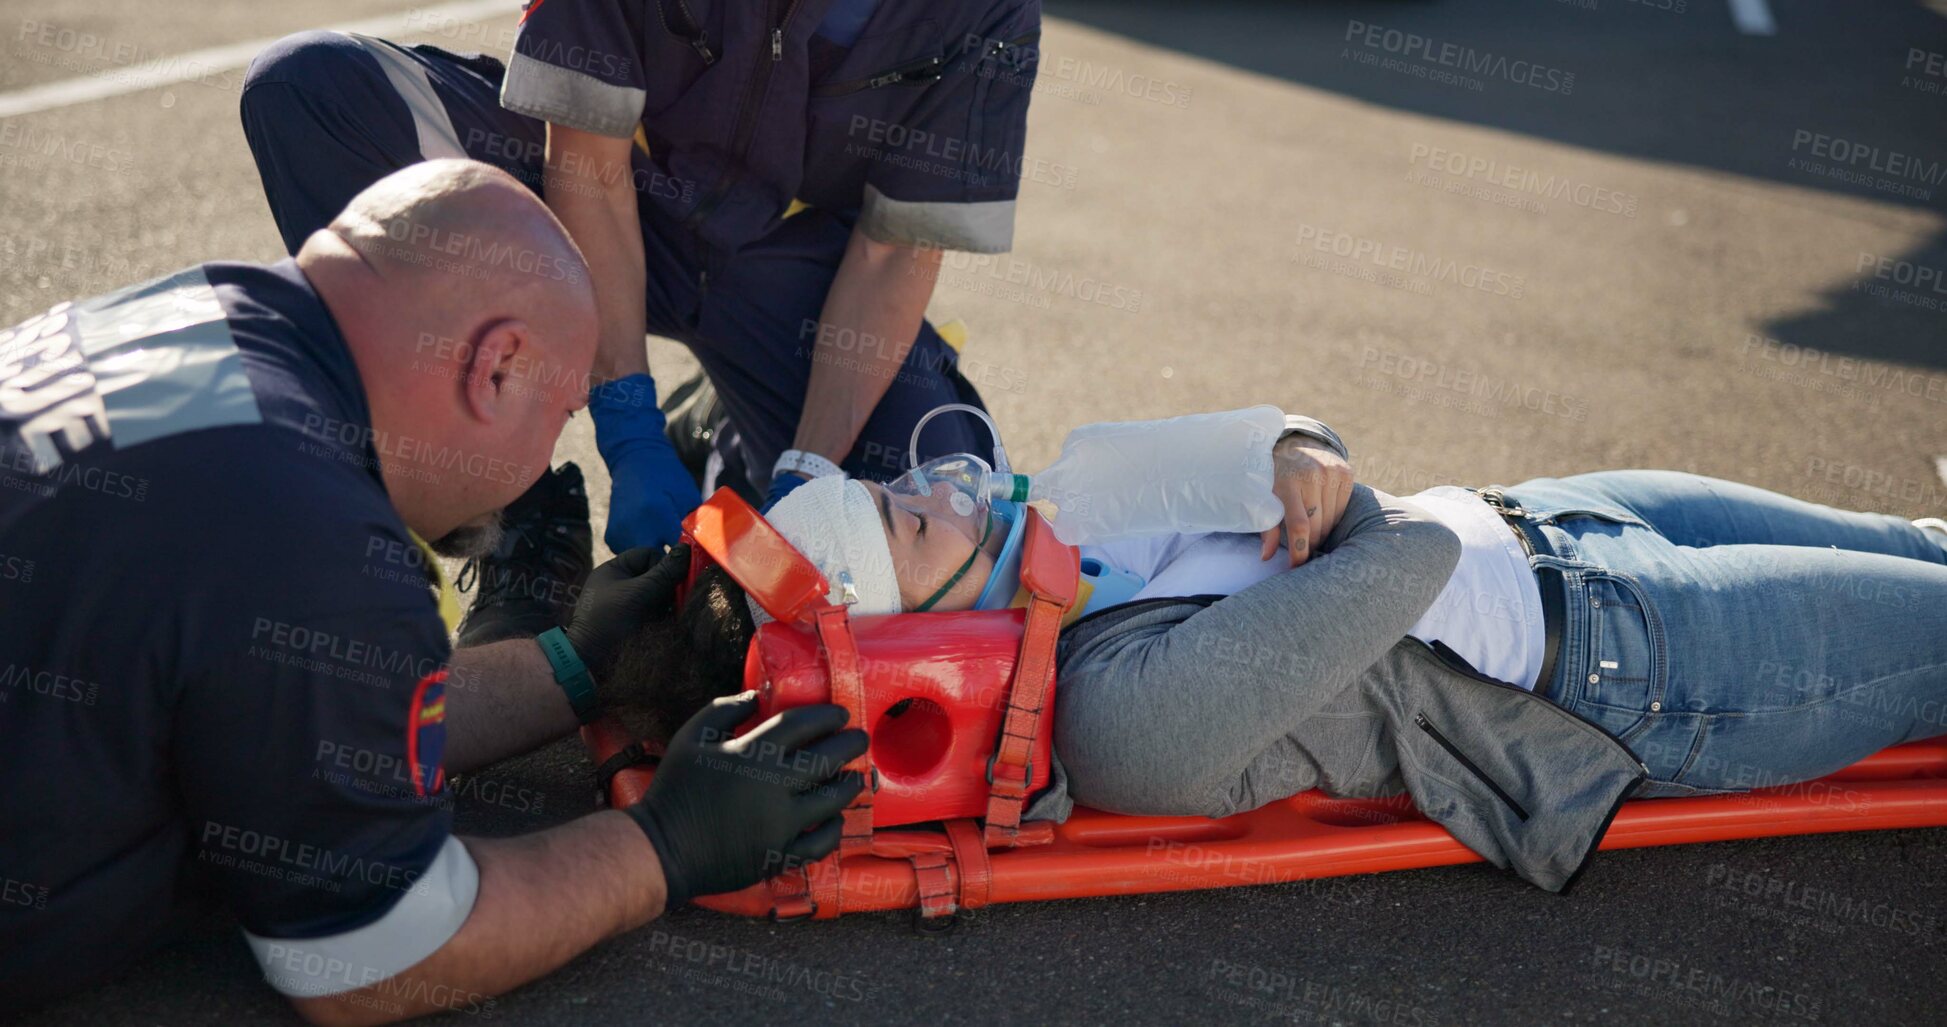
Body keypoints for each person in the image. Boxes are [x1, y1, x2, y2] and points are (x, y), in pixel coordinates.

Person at [0, 160, 865, 1021]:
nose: (541, 467)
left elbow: (289, 706)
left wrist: (578, 664)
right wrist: (664, 844)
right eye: (559, 413)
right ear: (495, 368)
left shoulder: (199, 315)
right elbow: (377, 955)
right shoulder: (309, 530)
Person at [625, 410, 1947, 892]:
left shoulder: (1080, 553)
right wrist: (1302, 475)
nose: (951, 493)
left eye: (910, 492)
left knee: (1917, 534)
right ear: (932, 638)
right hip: (1636, 661)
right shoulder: (1115, 717)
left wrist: (1285, 457)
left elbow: (1296, 446)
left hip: (1552, 517)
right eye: (915, 525)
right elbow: (1395, 565)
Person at [237, 0, 1045, 647]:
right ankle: (518, 520)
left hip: (791, 269)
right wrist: (625, 424)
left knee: (957, 537)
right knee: (312, 90)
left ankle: (728, 446)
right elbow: (587, 160)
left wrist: (811, 481)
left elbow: (889, 256)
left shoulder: (988, 12)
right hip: (599, 192)